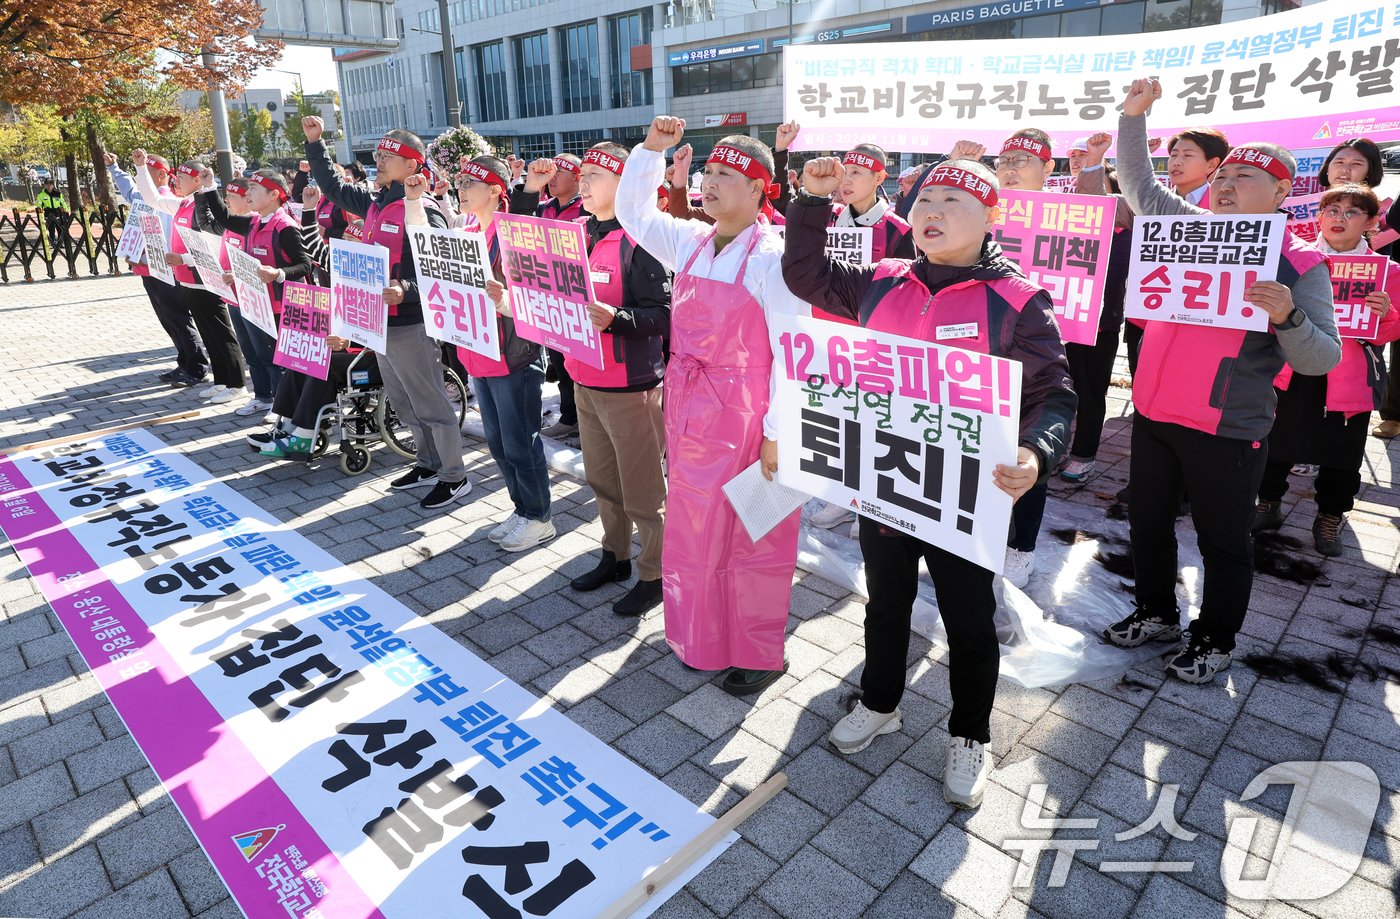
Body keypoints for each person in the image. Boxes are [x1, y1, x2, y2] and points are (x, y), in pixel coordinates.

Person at [782, 157, 1075, 808]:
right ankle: (881, 700)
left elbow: (1054, 394)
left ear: (990, 215)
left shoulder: (1018, 300)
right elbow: (803, 274)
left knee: (969, 622)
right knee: (884, 603)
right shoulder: (882, 280)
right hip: (887, 479)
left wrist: (1035, 452)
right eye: (924, 201)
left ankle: (969, 733)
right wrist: (808, 198)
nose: (933, 212)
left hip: (963, 497)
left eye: (953, 200)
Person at [1100, 78, 1341, 684]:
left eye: (1246, 178)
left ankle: (1215, 638)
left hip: (1227, 425)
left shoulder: (1300, 261)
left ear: (1284, 190)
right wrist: (1133, 118)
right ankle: (1156, 613)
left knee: (1223, 541)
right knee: (1147, 524)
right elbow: (1139, 184)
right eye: (1225, 176)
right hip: (1154, 412)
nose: (1227, 186)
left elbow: (1321, 360)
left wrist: (1287, 314)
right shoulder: (1188, 223)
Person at [616, 116, 812, 695]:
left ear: (759, 189)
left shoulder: (773, 258)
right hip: (692, 408)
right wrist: (652, 151)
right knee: (695, 526)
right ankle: (698, 635)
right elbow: (634, 214)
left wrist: (778, 431)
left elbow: (793, 352)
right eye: (709, 172)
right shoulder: (691, 240)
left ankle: (755, 649)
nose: (711, 182)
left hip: (750, 414)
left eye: (728, 174)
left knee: (754, 531)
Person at [301, 116, 472, 511]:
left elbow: (440, 269)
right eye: (378, 154)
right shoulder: (376, 202)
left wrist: (406, 291)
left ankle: (454, 475)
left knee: (431, 402)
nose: (378, 159)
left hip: (411, 324)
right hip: (379, 325)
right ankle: (428, 464)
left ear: (412, 166)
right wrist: (316, 143)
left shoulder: (423, 209)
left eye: (388, 155)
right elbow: (332, 187)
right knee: (403, 400)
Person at [551, 143, 672, 616]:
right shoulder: (576, 233)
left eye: (595, 174)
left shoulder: (641, 240)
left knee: (643, 492)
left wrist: (617, 319)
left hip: (631, 388)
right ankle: (615, 557)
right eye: (582, 172)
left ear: (625, 185)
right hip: (584, 380)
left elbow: (664, 315)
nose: (582, 181)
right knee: (603, 482)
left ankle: (654, 573)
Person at [412, 156, 555, 552]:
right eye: (460, 182)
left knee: (520, 442)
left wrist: (530, 187)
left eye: (471, 183)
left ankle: (539, 516)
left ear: (495, 190)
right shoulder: (465, 228)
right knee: (496, 442)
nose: (461, 189)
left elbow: (535, 286)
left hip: (514, 355)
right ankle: (522, 508)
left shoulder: (512, 230)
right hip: (478, 352)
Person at [1254, 184, 1400, 556]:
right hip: (1292, 369)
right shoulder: (1292, 260)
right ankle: (1267, 504)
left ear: (1371, 221)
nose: (1339, 219)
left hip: (1348, 378)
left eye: (1352, 212)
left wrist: (1387, 314)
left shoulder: (1389, 272)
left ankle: (1331, 517)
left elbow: (1392, 331)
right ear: (1319, 216)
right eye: (1332, 210)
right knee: (1276, 442)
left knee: (1343, 454)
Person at [133, 150, 247, 404]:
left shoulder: (204, 206)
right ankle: (222, 382)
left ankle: (237, 383)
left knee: (221, 333)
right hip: (187, 280)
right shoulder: (182, 203)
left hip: (206, 280)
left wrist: (183, 259)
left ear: (198, 181)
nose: (176, 182)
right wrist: (141, 169)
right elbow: (152, 198)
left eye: (183, 178)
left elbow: (213, 249)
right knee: (208, 333)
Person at [200, 168, 314, 422]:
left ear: (274, 194)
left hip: (279, 305)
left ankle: (282, 406)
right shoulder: (254, 221)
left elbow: (304, 265)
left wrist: (278, 273)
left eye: (254, 189)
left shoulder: (284, 226)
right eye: (248, 188)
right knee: (256, 354)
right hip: (255, 302)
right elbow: (224, 217)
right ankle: (263, 398)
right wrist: (209, 187)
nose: (248, 193)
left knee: (276, 359)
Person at [1061, 133, 1133, 483]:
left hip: (1099, 324)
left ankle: (1083, 453)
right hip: (1057, 319)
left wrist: (1094, 163)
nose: (1079, 161)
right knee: (1057, 387)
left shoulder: (1124, 216)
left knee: (1090, 391)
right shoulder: (1059, 211)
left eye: (1087, 162)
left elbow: (1097, 198)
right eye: (1073, 158)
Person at [105, 152, 210, 387]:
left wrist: (142, 257)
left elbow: (164, 241)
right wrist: (114, 167)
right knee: (168, 320)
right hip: (147, 269)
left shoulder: (165, 201)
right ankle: (184, 361)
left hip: (164, 270)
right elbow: (128, 188)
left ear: (162, 175)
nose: (141, 179)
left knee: (178, 318)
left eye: (147, 173)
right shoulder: (143, 198)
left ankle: (197, 366)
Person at [527, 155, 588, 445]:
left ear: (578, 177)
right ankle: (569, 418)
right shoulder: (545, 208)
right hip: (550, 298)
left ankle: (585, 422)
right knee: (560, 362)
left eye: (560, 172)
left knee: (580, 364)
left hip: (577, 298)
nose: (552, 178)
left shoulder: (587, 208)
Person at [37, 179, 68, 248]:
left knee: (60, 228)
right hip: (48, 213)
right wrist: (40, 216)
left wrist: (66, 213)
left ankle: (60, 243)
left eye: (50, 184)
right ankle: (53, 242)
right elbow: (39, 206)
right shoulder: (41, 195)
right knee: (51, 229)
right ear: (44, 185)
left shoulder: (58, 194)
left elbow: (63, 204)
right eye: (47, 184)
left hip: (58, 213)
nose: (49, 186)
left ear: (53, 185)